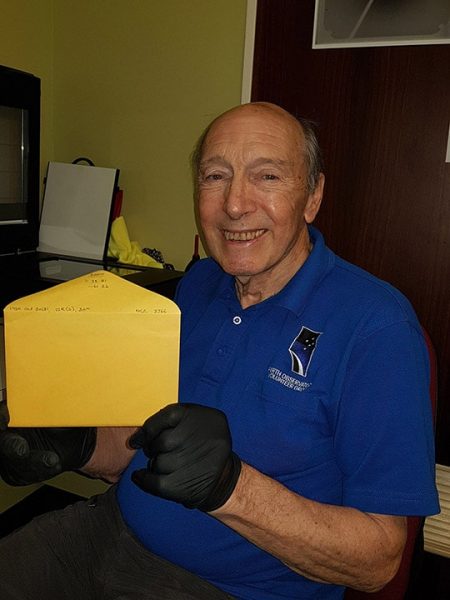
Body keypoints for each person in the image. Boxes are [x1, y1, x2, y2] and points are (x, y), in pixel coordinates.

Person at [0, 102, 439, 600]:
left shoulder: (378, 328)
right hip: (108, 533)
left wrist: (231, 486)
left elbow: (379, 561)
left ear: (312, 196)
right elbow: (150, 448)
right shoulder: (200, 285)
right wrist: (75, 443)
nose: (234, 204)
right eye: (215, 176)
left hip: (235, 590)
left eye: (267, 176)